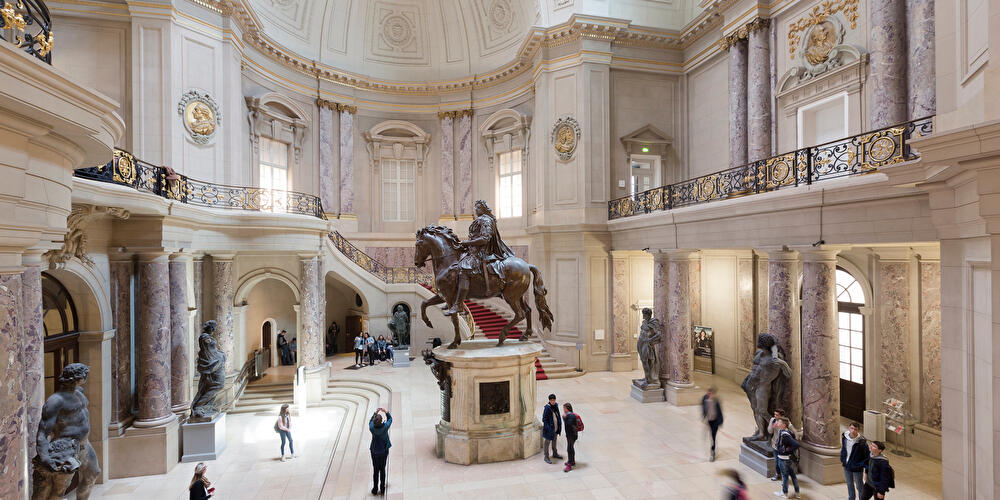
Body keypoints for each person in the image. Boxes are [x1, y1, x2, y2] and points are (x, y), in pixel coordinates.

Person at [443, 200, 514, 315]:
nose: (476, 210)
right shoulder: (481, 220)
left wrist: (467, 243)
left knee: (464, 270)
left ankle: (458, 305)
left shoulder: (486, 220)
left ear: (484, 209)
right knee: (455, 266)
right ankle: (453, 298)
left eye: (479, 208)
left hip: (482, 252)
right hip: (473, 250)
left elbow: (485, 239)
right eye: (475, 208)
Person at [842, 421, 871, 500]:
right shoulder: (845, 437)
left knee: (859, 486)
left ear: (858, 430)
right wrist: (843, 459)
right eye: (851, 428)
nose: (853, 431)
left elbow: (867, 457)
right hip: (846, 465)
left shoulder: (862, 442)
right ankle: (851, 498)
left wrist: (865, 469)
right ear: (849, 428)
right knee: (849, 484)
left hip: (857, 467)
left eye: (855, 429)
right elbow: (844, 450)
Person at [773, 418, 801, 499]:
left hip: (783, 459)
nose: (777, 422)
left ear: (784, 425)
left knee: (785, 476)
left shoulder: (784, 434)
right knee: (793, 476)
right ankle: (797, 493)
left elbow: (796, 444)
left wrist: (787, 450)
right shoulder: (785, 432)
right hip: (788, 459)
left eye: (779, 422)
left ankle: (784, 493)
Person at [369, 407, 392, 495]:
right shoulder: (385, 427)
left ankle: (375, 489)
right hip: (384, 451)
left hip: (374, 451)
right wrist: (386, 411)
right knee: (382, 469)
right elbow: (390, 419)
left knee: (375, 470)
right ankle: (382, 488)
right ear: (382, 420)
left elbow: (370, 421)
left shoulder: (372, 428)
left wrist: (375, 413)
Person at [768, 409, 796, 481]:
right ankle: (778, 474)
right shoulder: (773, 420)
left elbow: (794, 431)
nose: (775, 416)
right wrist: (772, 426)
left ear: (782, 416)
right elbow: (769, 431)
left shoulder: (786, 422)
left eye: (777, 415)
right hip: (775, 444)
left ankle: (785, 476)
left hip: (783, 446)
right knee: (776, 461)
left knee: (783, 462)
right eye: (774, 414)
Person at [701, 386, 724, 462]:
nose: (709, 395)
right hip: (709, 421)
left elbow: (720, 412)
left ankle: (713, 452)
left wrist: (720, 422)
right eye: (709, 393)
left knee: (713, 436)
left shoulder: (716, 401)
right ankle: (713, 450)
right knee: (711, 435)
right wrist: (704, 416)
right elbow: (703, 408)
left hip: (715, 421)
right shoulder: (705, 399)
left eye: (711, 394)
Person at [541, 393, 563, 464]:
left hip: (555, 428)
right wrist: (549, 428)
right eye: (551, 400)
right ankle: (546, 457)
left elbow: (558, 415)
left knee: (554, 441)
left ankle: (555, 453)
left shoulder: (556, 406)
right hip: (549, 430)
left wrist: (559, 425)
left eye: (554, 400)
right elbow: (544, 419)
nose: (553, 401)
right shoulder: (547, 408)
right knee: (547, 443)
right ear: (549, 400)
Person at [562, 403, 579, 472]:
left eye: (564, 408)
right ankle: (572, 461)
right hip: (571, 435)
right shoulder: (570, 415)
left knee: (569, 449)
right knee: (571, 448)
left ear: (567, 409)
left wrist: (564, 418)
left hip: (572, 435)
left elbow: (568, 425)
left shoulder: (571, 416)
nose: (563, 410)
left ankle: (569, 464)